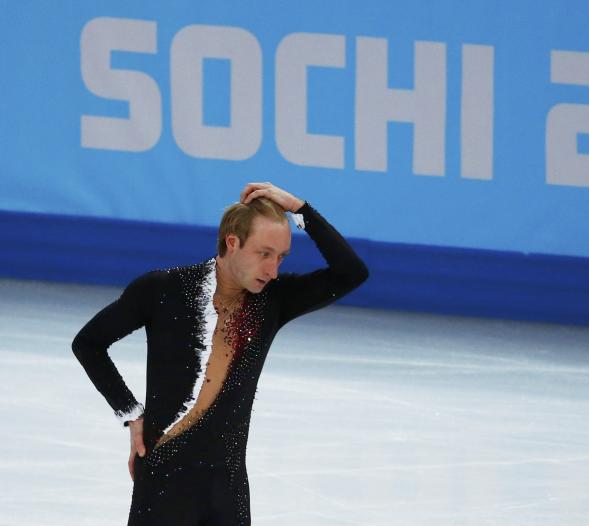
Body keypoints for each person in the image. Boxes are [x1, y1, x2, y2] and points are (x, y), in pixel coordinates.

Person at [72, 182, 369, 525]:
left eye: (281, 257)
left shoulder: (272, 301)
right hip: (163, 481)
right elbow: (89, 344)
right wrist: (131, 413)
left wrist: (298, 208)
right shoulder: (163, 290)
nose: (273, 271)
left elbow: (352, 272)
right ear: (233, 241)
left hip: (226, 490)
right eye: (264, 253)